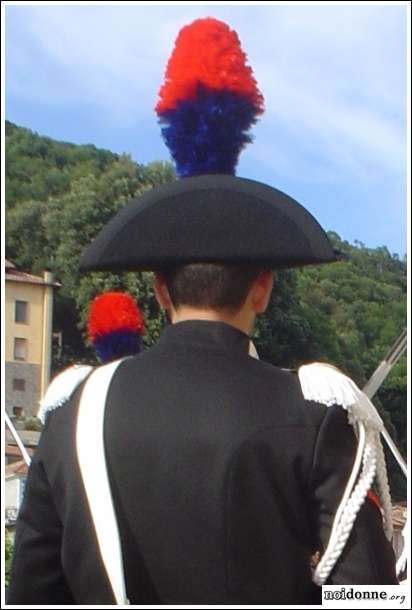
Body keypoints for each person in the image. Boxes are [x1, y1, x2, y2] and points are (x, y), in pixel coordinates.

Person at [8, 16, 397, 605]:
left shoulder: (72, 413)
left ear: (160, 291)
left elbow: (33, 592)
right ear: (262, 288)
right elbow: (367, 596)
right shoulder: (316, 412)